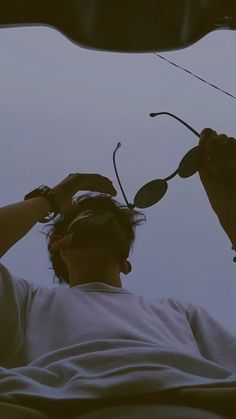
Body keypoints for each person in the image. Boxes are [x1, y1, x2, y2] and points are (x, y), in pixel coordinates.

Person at [0, 128, 236, 419]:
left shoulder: (179, 313)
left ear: (126, 264)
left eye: (115, 224)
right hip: (46, 407)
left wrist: (230, 212)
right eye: (87, 217)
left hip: (196, 404)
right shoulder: (27, 301)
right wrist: (52, 199)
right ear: (59, 243)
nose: (104, 219)